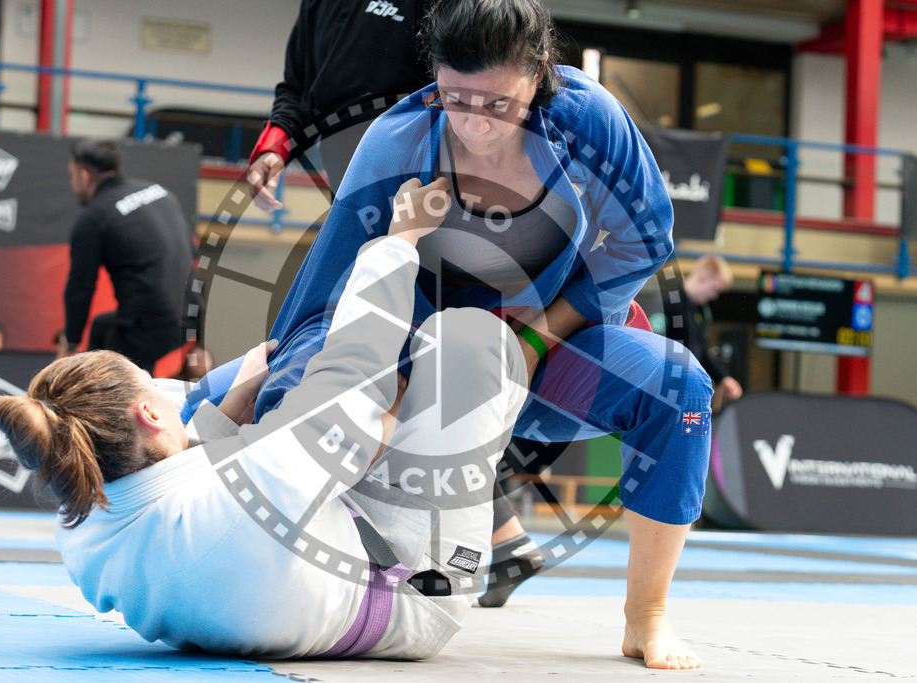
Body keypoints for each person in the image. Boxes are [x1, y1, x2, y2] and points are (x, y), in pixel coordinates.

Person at [187, 0, 711, 669]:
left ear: (540, 73)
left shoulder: (590, 120)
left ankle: (648, 615)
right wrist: (279, 390)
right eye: (455, 97)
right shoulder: (397, 141)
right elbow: (325, 295)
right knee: (281, 392)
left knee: (680, 392)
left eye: (498, 103)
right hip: (417, 365)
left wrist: (541, 334)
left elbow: (647, 237)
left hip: (544, 352)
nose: (474, 122)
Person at [0, 180, 529, 659]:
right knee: (468, 339)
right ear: (151, 412)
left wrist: (226, 416)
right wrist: (401, 240)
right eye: (153, 385)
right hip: (416, 593)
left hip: (267, 569)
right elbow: (353, 370)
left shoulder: (82, 523)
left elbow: (174, 504)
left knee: (272, 384)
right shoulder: (247, 494)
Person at [247, 0, 432, 208]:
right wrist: (273, 148)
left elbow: (449, 81)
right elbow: (298, 87)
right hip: (340, 165)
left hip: (407, 163)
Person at [61, 139, 197, 372]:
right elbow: (189, 255)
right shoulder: (159, 192)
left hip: (151, 327)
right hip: (192, 316)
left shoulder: (94, 217)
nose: (72, 182)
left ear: (83, 176)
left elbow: (80, 289)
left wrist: (70, 345)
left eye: (72, 174)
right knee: (102, 328)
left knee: (107, 377)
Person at [653, 255, 742, 407]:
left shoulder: (700, 312)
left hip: (685, 390)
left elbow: (701, 351)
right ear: (702, 277)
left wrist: (723, 378)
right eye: (715, 289)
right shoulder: (669, 302)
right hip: (663, 390)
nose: (714, 296)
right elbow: (652, 344)